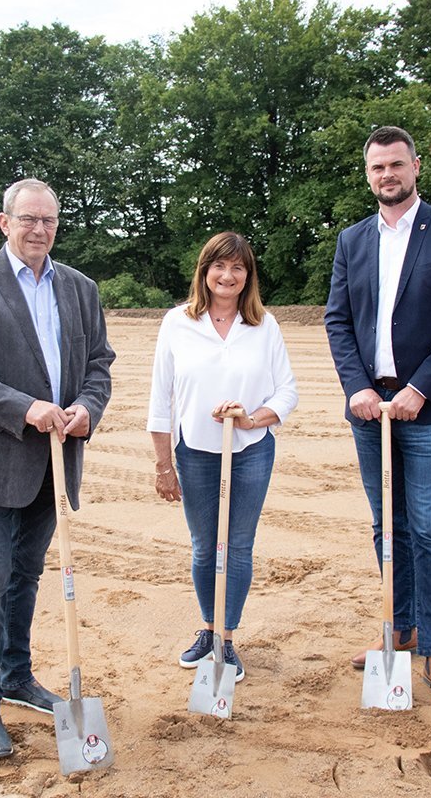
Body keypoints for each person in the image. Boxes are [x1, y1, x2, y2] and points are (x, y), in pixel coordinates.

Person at [0, 178, 115, 759]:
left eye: (49, 221)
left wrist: (88, 407)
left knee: (28, 577)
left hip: (54, 465)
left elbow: (99, 363)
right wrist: (24, 408)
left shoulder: (80, 288)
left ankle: (16, 674)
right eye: (28, 219)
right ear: (4, 222)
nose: (39, 230)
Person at [324, 126, 431, 709]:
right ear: (367, 175)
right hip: (371, 410)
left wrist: (421, 387)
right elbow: (338, 321)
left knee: (429, 529)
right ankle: (399, 629)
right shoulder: (352, 239)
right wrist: (357, 388)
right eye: (377, 168)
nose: (387, 175)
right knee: (384, 525)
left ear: (416, 166)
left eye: (396, 164)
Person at [148, 231, 298, 683]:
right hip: (195, 451)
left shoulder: (263, 325)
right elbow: (161, 398)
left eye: (237, 268)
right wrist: (163, 465)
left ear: (247, 276)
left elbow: (286, 390)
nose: (227, 275)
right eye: (219, 266)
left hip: (250, 451)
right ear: (204, 271)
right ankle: (207, 629)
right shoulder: (177, 322)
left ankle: (226, 640)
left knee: (237, 547)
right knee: (203, 547)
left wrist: (252, 419)